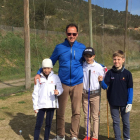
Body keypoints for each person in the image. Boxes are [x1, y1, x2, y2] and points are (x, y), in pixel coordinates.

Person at [34, 23, 86, 140]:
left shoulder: (82, 48)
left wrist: (102, 69)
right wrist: (38, 72)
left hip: (78, 83)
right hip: (62, 83)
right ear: (66, 34)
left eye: (74, 34)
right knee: (60, 111)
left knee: (76, 111)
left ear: (77, 34)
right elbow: (50, 61)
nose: (71, 36)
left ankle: (74, 136)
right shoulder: (59, 48)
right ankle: (60, 135)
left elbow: (89, 61)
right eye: (69, 33)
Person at [98, 50, 133, 140]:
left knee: (126, 122)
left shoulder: (127, 74)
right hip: (113, 101)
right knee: (116, 122)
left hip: (125, 102)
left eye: (118, 59)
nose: (116, 61)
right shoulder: (110, 73)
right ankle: (118, 138)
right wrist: (101, 81)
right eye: (114, 59)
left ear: (123, 60)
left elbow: (130, 89)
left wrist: (130, 102)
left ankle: (127, 138)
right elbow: (105, 87)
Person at [32, 58, 63, 140]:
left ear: (51, 68)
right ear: (42, 68)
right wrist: (35, 106)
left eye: (48, 68)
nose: (46, 70)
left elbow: (60, 88)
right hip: (41, 105)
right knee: (38, 124)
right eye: (44, 68)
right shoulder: (39, 78)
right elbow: (35, 93)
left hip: (51, 104)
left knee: (48, 124)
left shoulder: (55, 77)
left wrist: (58, 92)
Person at [82, 47, 105, 140]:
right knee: (86, 116)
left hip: (95, 94)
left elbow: (103, 78)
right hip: (84, 94)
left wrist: (101, 79)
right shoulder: (83, 65)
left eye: (90, 56)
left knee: (95, 116)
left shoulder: (99, 67)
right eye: (86, 56)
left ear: (94, 56)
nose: (88, 58)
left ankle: (95, 136)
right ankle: (87, 135)